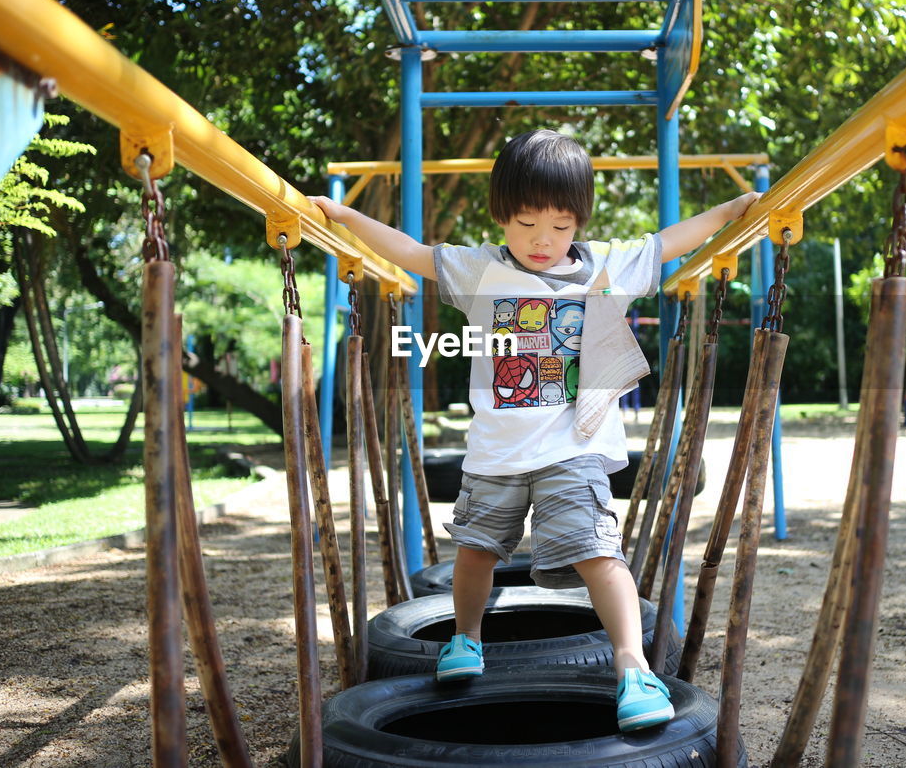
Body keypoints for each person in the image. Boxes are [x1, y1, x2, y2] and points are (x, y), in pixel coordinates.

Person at [310, 129, 756, 732]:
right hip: (495, 451)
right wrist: (343, 215)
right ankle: (466, 639)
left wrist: (730, 212)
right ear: (501, 216)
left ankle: (632, 666)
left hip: (574, 450)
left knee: (599, 552)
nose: (542, 240)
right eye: (525, 224)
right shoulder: (478, 271)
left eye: (560, 225)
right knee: (474, 555)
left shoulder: (605, 267)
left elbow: (667, 242)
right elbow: (410, 252)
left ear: (579, 222)